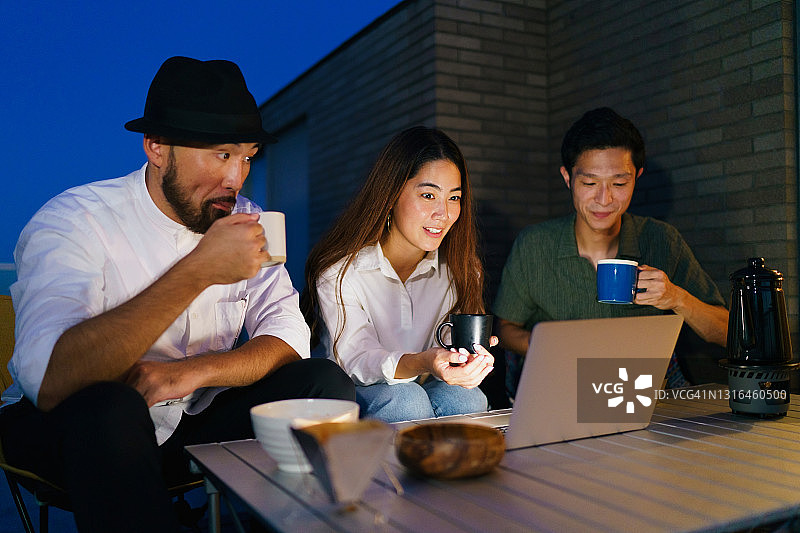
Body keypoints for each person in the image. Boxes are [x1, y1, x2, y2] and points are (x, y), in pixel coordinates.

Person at [0, 56, 355, 533]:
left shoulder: (246, 218)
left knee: (322, 383)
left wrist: (185, 375)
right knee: (111, 407)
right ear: (156, 147)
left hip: (190, 418)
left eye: (248, 156)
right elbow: (48, 379)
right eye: (221, 155)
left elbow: (289, 335)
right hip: (75, 430)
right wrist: (197, 271)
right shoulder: (75, 220)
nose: (237, 179)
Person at [494, 107, 728, 394]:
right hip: (563, 388)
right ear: (567, 178)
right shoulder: (535, 244)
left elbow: (727, 333)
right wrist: (551, 346)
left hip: (642, 392)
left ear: (636, 177)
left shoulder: (661, 240)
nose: (604, 199)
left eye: (619, 183)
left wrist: (676, 298)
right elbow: (504, 328)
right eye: (589, 183)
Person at [302, 126, 495, 423]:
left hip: (424, 389)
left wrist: (469, 359)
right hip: (350, 395)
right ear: (390, 194)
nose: (443, 214)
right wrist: (423, 362)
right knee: (405, 400)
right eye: (429, 195)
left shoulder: (462, 268)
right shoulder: (340, 272)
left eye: (454, 198)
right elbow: (356, 360)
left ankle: (455, 470)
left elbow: (451, 357)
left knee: (466, 397)